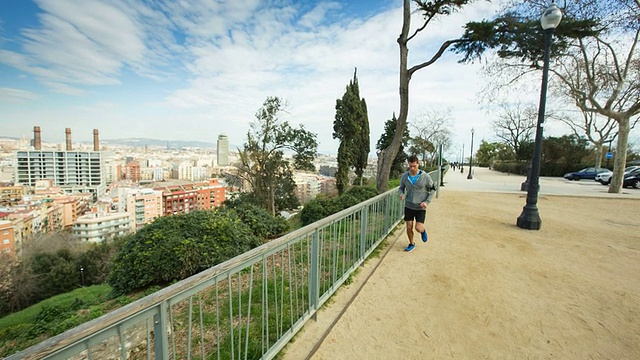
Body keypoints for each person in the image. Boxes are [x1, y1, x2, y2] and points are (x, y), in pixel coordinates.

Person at [399, 155, 435, 252]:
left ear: (418, 164)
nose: (412, 168)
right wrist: (401, 194)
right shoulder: (405, 177)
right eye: (410, 166)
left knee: (418, 228)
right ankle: (411, 243)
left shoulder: (425, 177)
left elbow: (432, 189)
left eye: (414, 166)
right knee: (409, 227)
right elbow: (401, 188)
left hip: (420, 207)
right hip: (409, 205)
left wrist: (427, 202)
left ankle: (423, 231)